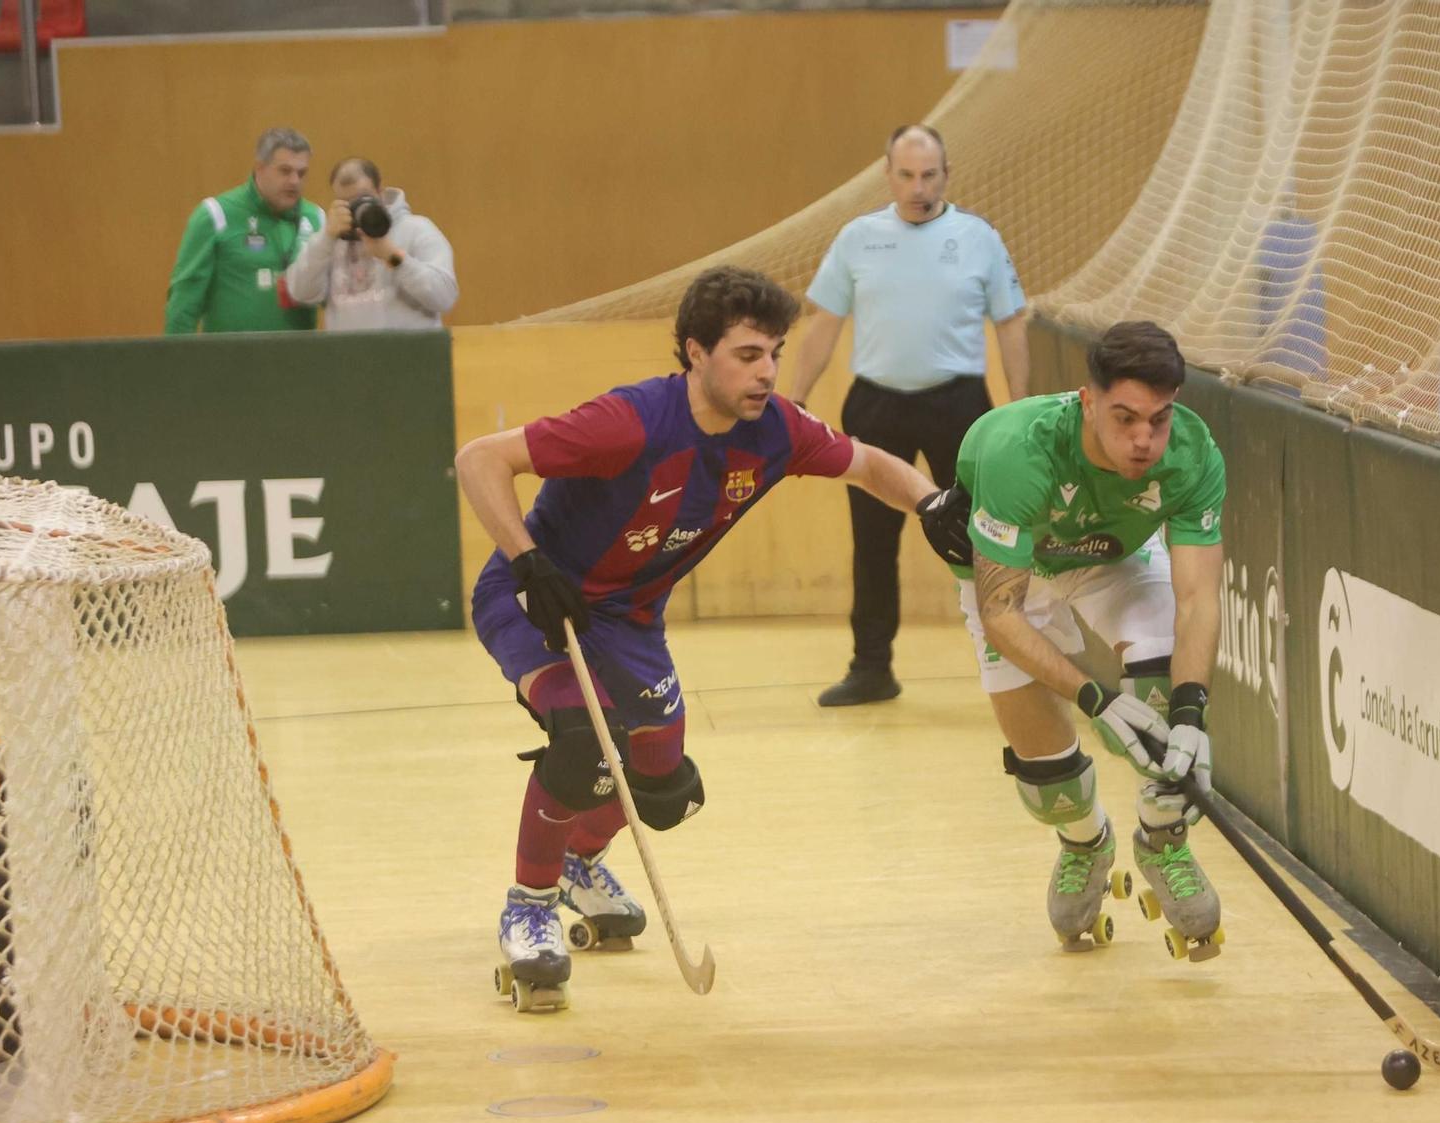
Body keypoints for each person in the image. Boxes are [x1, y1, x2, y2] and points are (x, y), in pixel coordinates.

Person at [455, 265, 946, 1013]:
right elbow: (479, 458)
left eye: (774, 352)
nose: (768, 371)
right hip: (535, 600)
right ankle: (529, 903)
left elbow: (870, 464)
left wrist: (933, 502)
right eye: (748, 354)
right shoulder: (631, 421)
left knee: (661, 781)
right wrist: (528, 562)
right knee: (583, 740)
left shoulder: (777, 430)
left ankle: (582, 862)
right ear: (695, 352)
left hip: (627, 621)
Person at [932, 321, 1228, 962]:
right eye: (1124, 418)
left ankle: (1163, 837)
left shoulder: (1194, 454)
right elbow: (1000, 610)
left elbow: (1199, 599)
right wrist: (1096, 699)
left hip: (1113, 562)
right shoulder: (1019, 449)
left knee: (1163, 686)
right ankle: (1085, 842)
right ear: (1087, 401)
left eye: (1159, 417)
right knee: (1047, 777)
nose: (1144, 439)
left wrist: (1191, 710)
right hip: (1015, 580)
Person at [788, 124, 1030, 708]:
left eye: (929, 175)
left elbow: (1012, 324)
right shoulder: (857, 239)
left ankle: (1014, 661)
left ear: (946, 175)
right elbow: (823, 325)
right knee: (873, 542)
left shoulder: (979, 238)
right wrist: (792, 400)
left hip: (960, 406)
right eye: (906, 175)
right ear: (887, 175)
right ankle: (871, 667)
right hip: (877, 406)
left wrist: (1021, 407)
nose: (918, 187)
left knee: (984, 538)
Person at [164, 128, 325, 335]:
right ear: (259, 168)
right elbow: (184, 301)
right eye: (285, 171)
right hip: (230, 360)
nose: (295, 181)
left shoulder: (317, 219)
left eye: (301, 173)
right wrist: (177, 361)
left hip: (298, 360)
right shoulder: (216, 215)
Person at [284, 157, 458, 330]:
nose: (357, 208)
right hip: (348, 355)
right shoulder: (330, 240)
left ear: (380, 191)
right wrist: (326, 239)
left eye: (363, 198)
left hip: (408, 354)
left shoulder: (416, 229)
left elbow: (445, 297)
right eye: (347, 203)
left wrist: (394, 257)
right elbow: (301, 293)